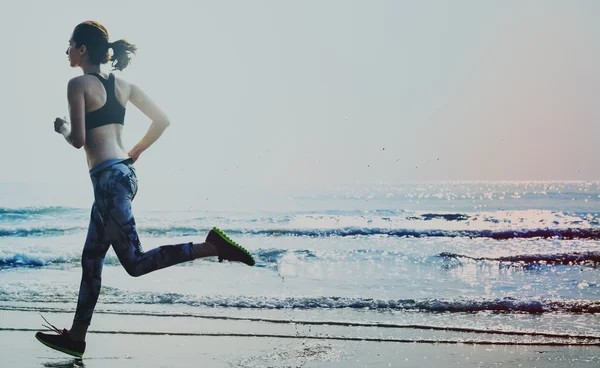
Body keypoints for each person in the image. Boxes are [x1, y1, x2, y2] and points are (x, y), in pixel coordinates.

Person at [35, 21, 255, 359]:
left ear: (82, 50)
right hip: (122, 175)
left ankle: (211, 247)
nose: (66, 51)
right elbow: (162, 120)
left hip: (108, 181)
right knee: (91, 257)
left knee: (134, 263)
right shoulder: (124, 85)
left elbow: (78, 140)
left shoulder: (77, 84)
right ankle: (77, 337)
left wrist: (62, 126)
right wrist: (135, 151)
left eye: (70, 44)